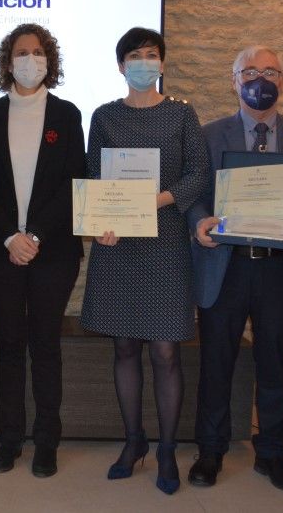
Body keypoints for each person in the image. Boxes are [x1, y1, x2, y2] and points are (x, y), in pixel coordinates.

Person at [186, 45, 283, 492]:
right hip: (225, 266)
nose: (260, 79)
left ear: (282, 81)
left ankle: (271, 454)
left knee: (273, 365)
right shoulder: (209, 134)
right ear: (234, 81)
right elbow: (194, 195)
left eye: (270, 71)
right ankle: (210, 451)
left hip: (280, 270)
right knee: (216, 363)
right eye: (249, 72)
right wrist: (199, 224)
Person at [80, 27, 209, 495]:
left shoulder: (181, 113)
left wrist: (158, 199)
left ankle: (167, 448)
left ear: (162, 63)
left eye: (151, 54)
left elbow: (198, 172)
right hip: (119, 244)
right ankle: (133, 441)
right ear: (121, 66)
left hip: (166, 241)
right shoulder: (104, 116)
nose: (143, 62)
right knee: (124, 347)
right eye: (134, 55)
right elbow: (95, 176)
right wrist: (100, 218)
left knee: (166, 351)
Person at [0, 24, 85, 478]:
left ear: (49, 60)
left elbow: (73, 183)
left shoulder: (66, 113)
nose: (30, 59)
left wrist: (35, 235)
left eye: (38, 52)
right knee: (8, 344)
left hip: (53, 251)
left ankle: (46, 442)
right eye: (21, 52)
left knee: (45, 345)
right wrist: (10, 236)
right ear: (8, 61)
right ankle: (9, 441)